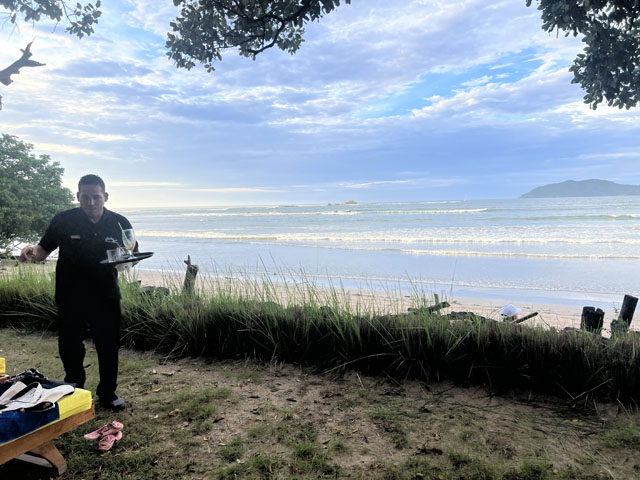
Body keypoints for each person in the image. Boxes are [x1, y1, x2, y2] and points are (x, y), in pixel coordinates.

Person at [20, 174, 137, 410]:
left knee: (108, 345)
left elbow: (131, 254)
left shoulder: (119, 222)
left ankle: (108, 394)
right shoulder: (64, 220)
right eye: (85, 197)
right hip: (70, 293)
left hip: (106, 295)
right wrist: (32, 252)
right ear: (78, 196)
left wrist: (127, 262)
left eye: (96, 197)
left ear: (105, 197)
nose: (91, 202)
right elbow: (43, 249)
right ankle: (74, 389)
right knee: (70, 345)